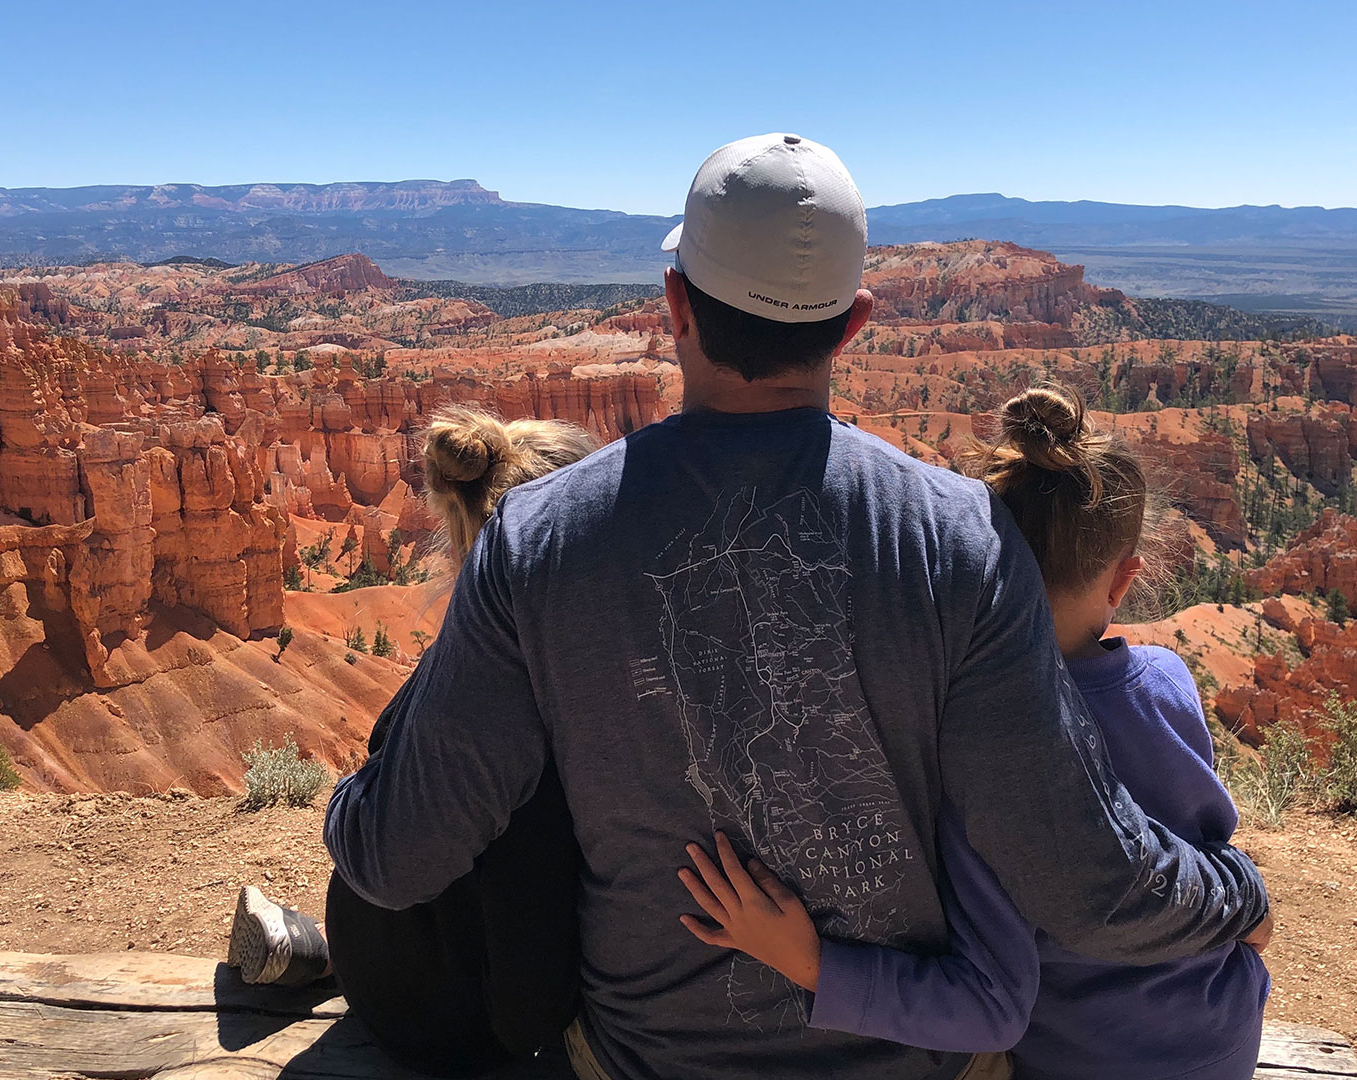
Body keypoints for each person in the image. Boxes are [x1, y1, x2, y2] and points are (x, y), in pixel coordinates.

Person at [325, 133, 1270, 1080]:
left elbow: (396, 856)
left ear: (676, 306)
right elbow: (1085, 883)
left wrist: (344, 801)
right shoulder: (962, 540)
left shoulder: (534, 538)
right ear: (854, 323)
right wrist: (1234, 891)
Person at [677, 385, 1271, 1080]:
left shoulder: (980, 736)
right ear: (1124, 579)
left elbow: (993, 1007)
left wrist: (814, 966)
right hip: (1224, 1031)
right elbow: (1208, 841)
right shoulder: (1167, 679)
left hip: (1091, 1061)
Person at [228, 405, 599, 1076]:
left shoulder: (464, 671)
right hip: (486, 1006)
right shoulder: (585, 673)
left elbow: (393, 854)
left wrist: (354, 795)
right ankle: (323, 953)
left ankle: (314, 950)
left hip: (425, 979)